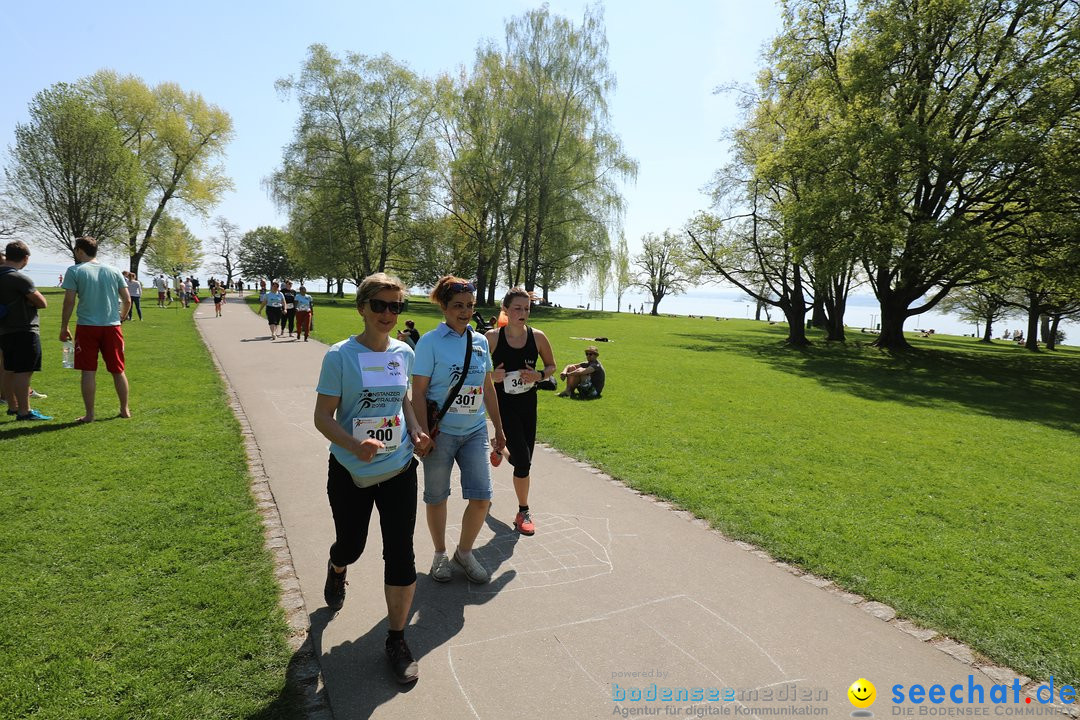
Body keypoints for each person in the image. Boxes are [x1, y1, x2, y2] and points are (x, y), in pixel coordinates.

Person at [313, 272, 431, 684]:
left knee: (401, 552)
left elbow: (403, 399)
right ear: (362, 307)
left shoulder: (403, 351)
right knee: (352, 544)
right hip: (351, 471)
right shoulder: (339, 356)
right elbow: (321, 418)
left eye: (395, 306)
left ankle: (396, 640)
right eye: (379, 305)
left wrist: (415, 429)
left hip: (398, 468)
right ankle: (337, 565)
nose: (387, 313)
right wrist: (352, 444)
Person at [412, 276, 506, 584]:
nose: (464, 312)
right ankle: (440, 554)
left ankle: (463, 553)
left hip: (475, 430)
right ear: (444, 306)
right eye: (457, 306)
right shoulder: (429, 342)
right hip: (441, 433)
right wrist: (423, 433)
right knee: (437, 496)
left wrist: (499, 428)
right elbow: (419, 392)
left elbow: (487, 387)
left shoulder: (479, 341)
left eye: (469, 306)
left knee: (481, 498)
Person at [487, 288, 557, 536]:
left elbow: (551, 366)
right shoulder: (492, 338)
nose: (523, 313)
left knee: (521, 459)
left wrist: (539, 375)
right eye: (517, 308)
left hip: (528, 404)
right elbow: (476, 373)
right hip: (502, 405)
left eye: (527, 308)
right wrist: (491, 376)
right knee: (524, 462)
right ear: (505, 309)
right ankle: (523, 511)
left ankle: (498, 447)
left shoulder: (537, 337)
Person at [60, 236, 132, 423]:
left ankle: (90, 415)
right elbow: (127, 299)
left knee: (88, 371)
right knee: (118, 369)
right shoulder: (114, 270)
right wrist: (122, 317)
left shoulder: (75, 270)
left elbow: (69, 301)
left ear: (79, 251)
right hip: (112, 327)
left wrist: (64, 326)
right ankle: (124, 409)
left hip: (87, 327)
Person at [0, 241, 51, 421]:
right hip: (24, 328)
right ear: (26, 258)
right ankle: (24, 411)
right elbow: (42, 302)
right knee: (24, 371)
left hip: (5, 330)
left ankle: (12, 406)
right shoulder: (19, 278)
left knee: (9, 369)